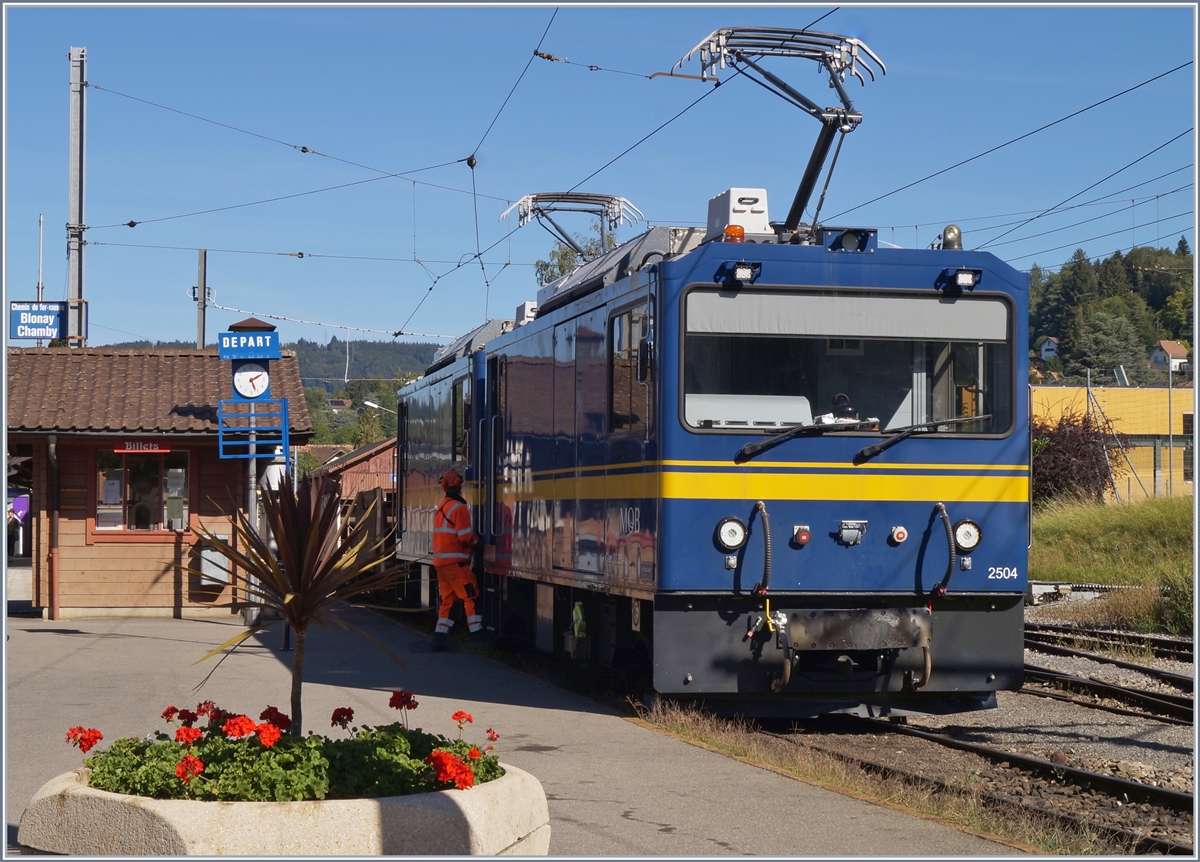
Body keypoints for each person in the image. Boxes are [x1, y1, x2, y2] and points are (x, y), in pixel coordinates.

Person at [431, 470, 482, 650]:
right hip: (455, 562)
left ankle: (439, 638)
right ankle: (477, 636)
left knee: (449, 600)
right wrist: (478, 542)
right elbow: (464, 537)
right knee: (471, 595)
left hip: (441, 564)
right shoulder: (459, 508)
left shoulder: (442, 506)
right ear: (459, 485)